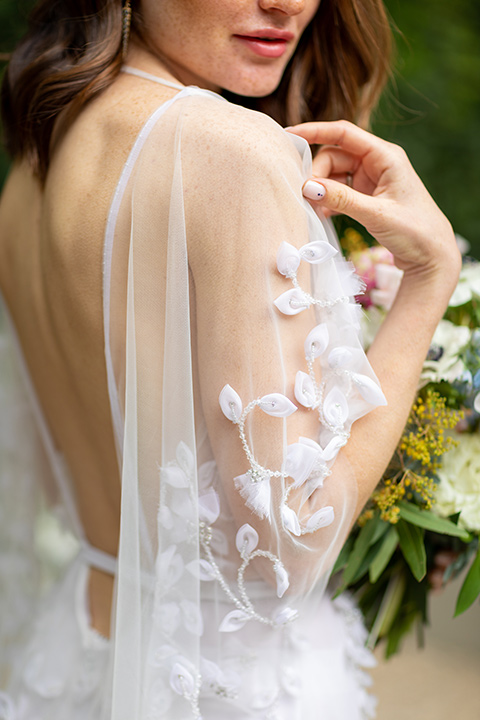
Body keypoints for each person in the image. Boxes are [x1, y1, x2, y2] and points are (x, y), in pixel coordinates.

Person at [0, 0, 460, 718]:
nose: (284, 2)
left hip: (80, 654)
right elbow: (284, 552)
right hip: (226, 689)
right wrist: (429, 283)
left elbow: (74, 487)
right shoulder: (232, 152)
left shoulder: (37, 158)